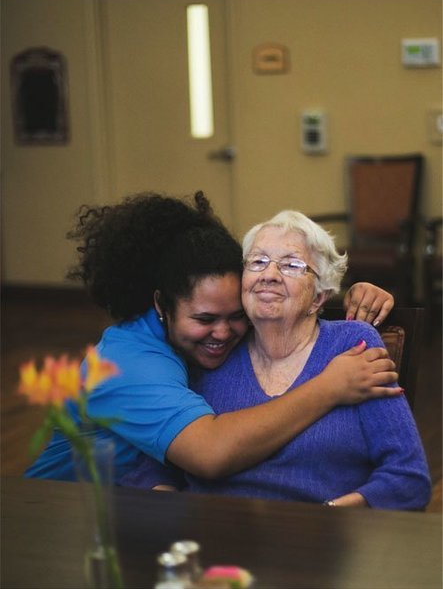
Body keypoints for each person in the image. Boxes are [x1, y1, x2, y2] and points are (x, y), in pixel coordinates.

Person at [24, 192, 400, 483]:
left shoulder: (208, 331)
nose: (223, 333)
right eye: (204, 319)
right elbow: (211, 453)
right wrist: (330, 387)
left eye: (236, 316)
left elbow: (288, 307)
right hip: (63, 518)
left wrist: (351, 293)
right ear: (162, 305)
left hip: (138, 515)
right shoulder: (125, 362)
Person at [122, 209, 431, 510]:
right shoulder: (215, 347)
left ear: (320, 296)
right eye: (257, 262)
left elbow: (408, 478)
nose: (269, 275)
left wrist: (329, 514)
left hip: (316, 544)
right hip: (213, 535)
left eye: (292, 265)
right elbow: (154, 462)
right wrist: (173, 508)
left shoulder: (352, 344)